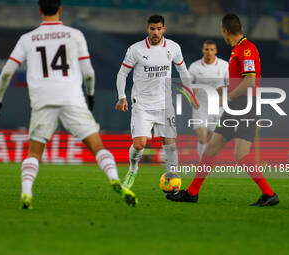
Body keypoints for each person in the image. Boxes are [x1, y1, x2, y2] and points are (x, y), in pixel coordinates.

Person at [0, 0, 137, 209]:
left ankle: (26, 193)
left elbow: (6, 72)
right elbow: (88, 72)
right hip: (71, 97)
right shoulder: (74, 35)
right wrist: (91, 94)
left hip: (42, 100)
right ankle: (115, 179)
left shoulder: (27, 39)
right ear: (60, 9)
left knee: (34, 152)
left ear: (39, 10)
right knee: (97, 146)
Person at [166, 13, 279, 206]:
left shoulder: (246, 50)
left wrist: (227, 97)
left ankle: (269, 194)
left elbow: (250, 82)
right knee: (211, 147)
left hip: (246, 106)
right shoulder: (238, 50)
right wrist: (226, 90)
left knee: (241, 154)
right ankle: (192, 193)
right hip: (239, 105)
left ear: (225, 31)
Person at [115, 14, 198, 189]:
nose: (155, 32)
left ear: (163, 29)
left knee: (170, 143)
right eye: (152, 29)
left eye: (159, 29)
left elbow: (182, 70)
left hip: (165, 104)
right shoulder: (135, 50)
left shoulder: (173, 47)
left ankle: (172, 179)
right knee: (140, 144)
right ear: (148, 29)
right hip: (142, 104)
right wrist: (122, 96)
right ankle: (133, 169)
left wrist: (191, 91)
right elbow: (122, 73)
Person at [188, 40, 228, 160]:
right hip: (200, 106)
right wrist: (192, 98)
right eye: (207, 49)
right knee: (202, 137)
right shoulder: (195, 67)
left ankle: (208, 161)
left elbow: (231, 85)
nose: (209, 52)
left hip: (218, 107)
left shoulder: (224, 65)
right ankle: (202, 164)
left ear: (215, 51)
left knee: (212, 140)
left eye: (212, 50)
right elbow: (188, 85)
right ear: (203, 50)